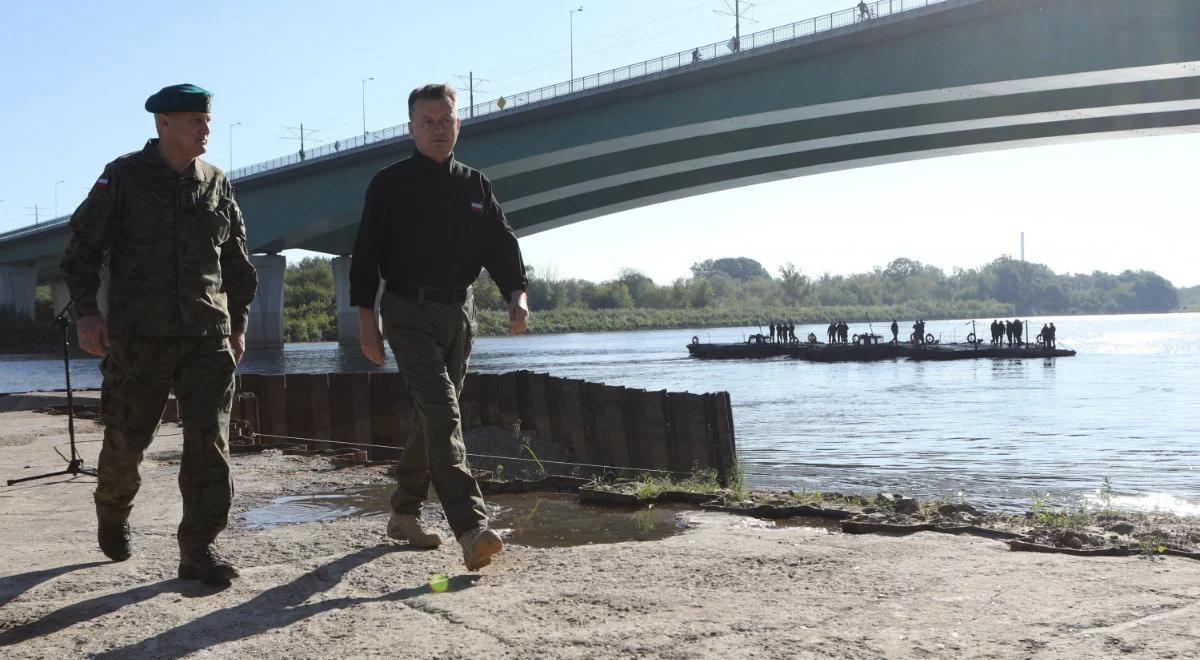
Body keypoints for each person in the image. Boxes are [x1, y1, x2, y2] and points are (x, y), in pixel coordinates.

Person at [60, 84, 257, 586]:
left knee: (208, 444)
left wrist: (238, 325)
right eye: (195, 120)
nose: (205, 128)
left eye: (207, 120)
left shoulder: (217, 183)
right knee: (127, 439)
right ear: (163, 124)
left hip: (207, 337)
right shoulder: (124, 177)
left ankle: (199, 549)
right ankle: (112, 509)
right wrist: (87, 312)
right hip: (139, 337)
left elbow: (236, 263)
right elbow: (83, 249)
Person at [350, 83, 529, 572]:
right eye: (426, 121)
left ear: (458, 124)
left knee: (432, 419)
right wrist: (367, 323)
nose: (436, 129)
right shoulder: (389, 184)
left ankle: (404, 514)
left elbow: (501, 243)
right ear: (410, 127)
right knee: (444, 414)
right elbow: (365, 254)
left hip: (460, 313)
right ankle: (471, 529)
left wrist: (517, 293)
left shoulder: (474, 184)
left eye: (445, 120)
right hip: (407, 310)